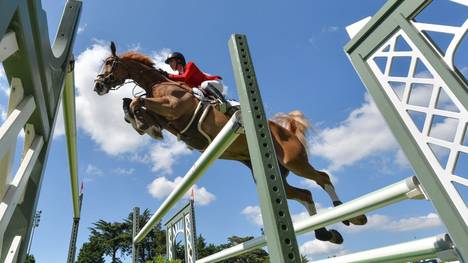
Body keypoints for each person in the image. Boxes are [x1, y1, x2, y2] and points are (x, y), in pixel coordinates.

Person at [163, 52, 230, 113]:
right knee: (193, 91)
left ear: (179, 60)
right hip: (206, 92)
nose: (170, 64)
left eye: (171, 61)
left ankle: (223, 102)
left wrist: (168, 75)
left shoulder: (190, 64)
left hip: (215, 84)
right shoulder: (179, 76)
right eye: (169, 63)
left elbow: (184, 77)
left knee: (204, 84)